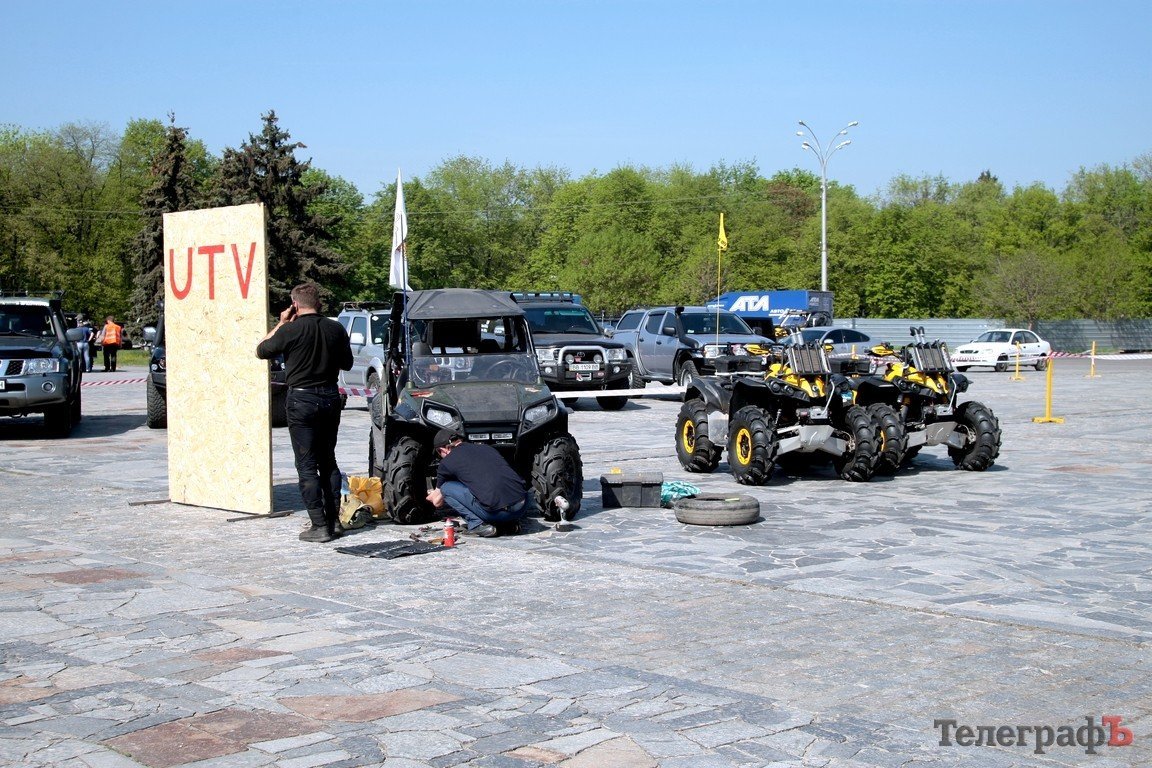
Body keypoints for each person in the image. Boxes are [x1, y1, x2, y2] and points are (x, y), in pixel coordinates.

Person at [256, 283, 353, 543]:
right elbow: (347, 363)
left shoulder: (290, 329)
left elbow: (261, 349)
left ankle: (319, 526)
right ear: (318, 302)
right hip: (330, 397)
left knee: (307, 464)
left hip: (302, 399)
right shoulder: (336, 328)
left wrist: (281, 323)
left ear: (295, 305)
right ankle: (334, 522)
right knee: (328, 460)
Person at [426, 428, 530, 538]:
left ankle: (477, 525)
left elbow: (437, 502)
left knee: (446, 488)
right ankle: (510, 524)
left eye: (439, 453)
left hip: (495, 514)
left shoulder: (447, 462)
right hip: (522, 507)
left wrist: (429, 496)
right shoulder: (487, 448)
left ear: (443, 449)